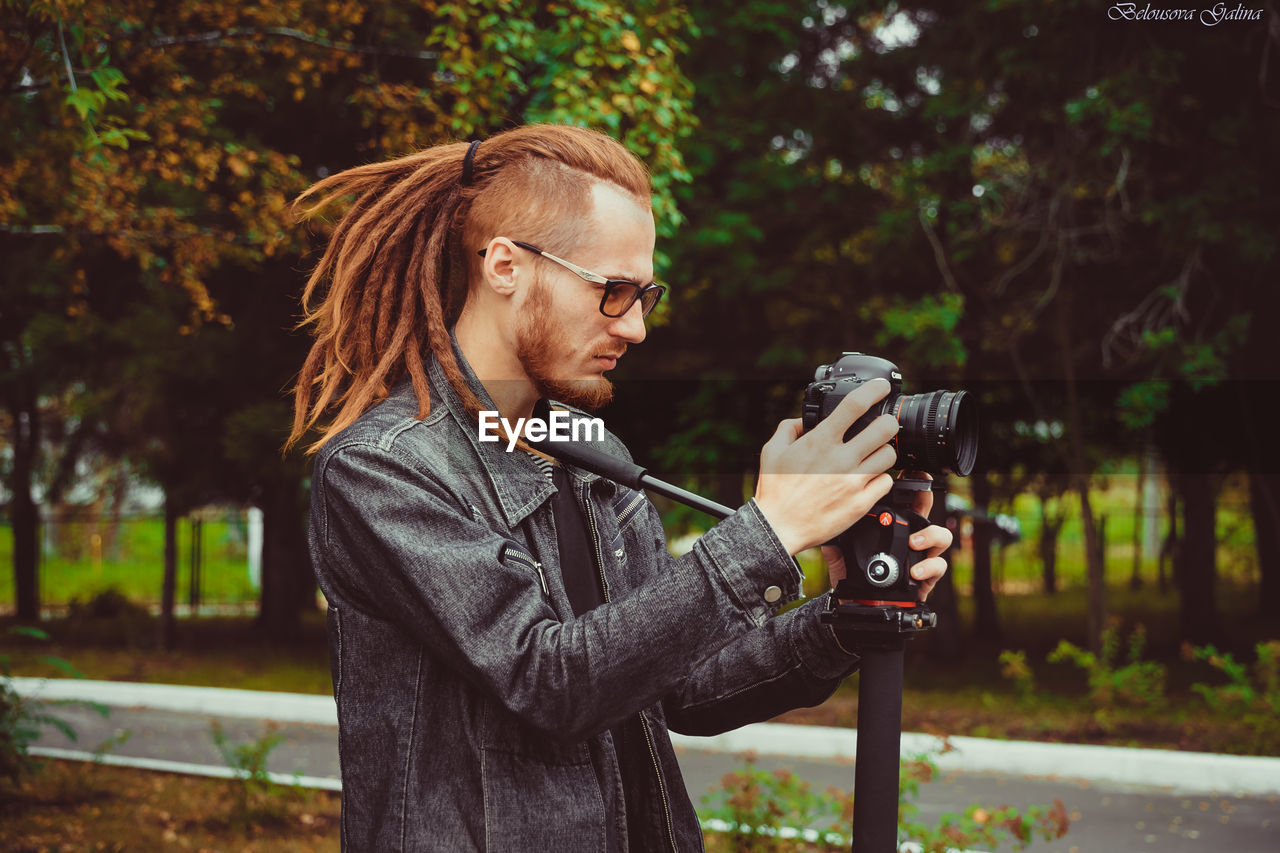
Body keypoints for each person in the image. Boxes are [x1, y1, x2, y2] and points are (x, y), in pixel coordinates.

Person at [287, 124, 952, 852]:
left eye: (646, 295)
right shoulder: (383, 468)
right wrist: (769, 530)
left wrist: (845, 612)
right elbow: (549, 679)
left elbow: (682, 687)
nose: (635, 326)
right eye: (614, 291)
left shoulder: (588, 450)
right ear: (505, 265)